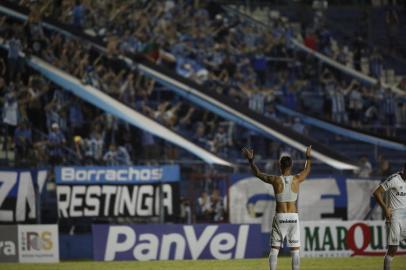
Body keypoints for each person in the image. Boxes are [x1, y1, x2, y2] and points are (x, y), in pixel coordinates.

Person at [242, 145, 312, 270]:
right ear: (291, 166)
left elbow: (257, 173)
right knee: (295, 251)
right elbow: (307, 170)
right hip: (293, 217)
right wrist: (308, 156)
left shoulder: (275, 180)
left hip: (280, 217)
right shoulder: (297, 179)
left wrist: (251, 160)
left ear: (280, 166)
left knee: (274, 250)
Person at [373, 163, 406, 270]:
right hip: (394, 217)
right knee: (393, 248)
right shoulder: (394, 179)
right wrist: (385, 208)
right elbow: (377, 193)